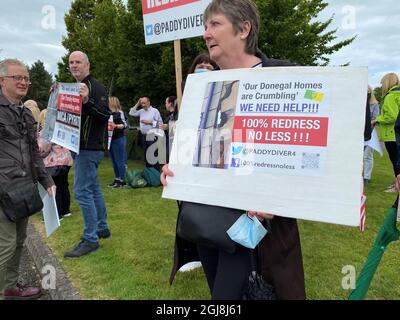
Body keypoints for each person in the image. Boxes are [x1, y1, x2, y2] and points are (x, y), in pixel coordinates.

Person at [162, 0, 305, 299]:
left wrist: (281, 199)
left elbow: (305, 154)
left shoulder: (283, 77)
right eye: (205, 26)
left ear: (243, 29)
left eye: (215, 24)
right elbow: (195, 150)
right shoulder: (205, 87)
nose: (206, 34)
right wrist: (176, 170)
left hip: (255, 229)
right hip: (209, 223)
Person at [0, 59, 55, 299]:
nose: (23, 82)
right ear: (2, 80)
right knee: (5, 245)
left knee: (20, 241)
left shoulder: (26, 114)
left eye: (26, 78)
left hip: (23, 189)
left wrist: (47, 181)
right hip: (2, 189)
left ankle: (10, 287)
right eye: (17, 78)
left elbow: (34, 153)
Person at [64, 51, 112, 258]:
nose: (74, 65)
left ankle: (90, 238)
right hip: (80, 146)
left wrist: (87, 101)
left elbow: (105, 115)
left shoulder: (95, 86)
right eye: (71, 62)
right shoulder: (74, 87)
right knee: (92, 189)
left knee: (82, 192)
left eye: (78, 62)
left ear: (87, 65)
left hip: (89, 148)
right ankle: (101, 228)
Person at [38, 109, 73, 220]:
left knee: (54, 187)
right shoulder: (63, 127)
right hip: (66, 161)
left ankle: (57, 213)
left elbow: (44, 150)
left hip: (53, 163)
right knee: (64, 186)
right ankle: (66, 210)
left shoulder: (46, 131)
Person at [372, 73, 400, 192]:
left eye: (382, 83)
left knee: (396, 162)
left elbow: (392, 116)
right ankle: (396, 183)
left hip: (391, 134)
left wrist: (377, 119)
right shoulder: (397, 95)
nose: (382, 85)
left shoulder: (390, 96)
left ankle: (396, 186)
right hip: (395, 135)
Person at [129, 97, 163, 169]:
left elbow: (160, 123)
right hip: (143, 136)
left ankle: (156, 174)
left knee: (153, 156)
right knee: (146, 156)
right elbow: (131, 113)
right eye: (142, 103)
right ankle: (149, 173)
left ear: (149, 102)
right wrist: (137, 104)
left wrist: (149, 122)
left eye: (144, 103)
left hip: (153, 136)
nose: (143, 105)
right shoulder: (141, 111)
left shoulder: (155, 111)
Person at [108, 96, 128, 188]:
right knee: (114, 160)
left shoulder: (119, 113)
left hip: (118, 138)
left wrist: (115, 126)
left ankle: (123, 180)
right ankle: (117, 178)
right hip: (110, 139)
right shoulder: (107, 113)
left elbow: (125, 125)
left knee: (120, 160)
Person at [363, 86, 380, 184]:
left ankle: (366, 177)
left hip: (371, 132)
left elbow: (376, 118)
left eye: (368, 92)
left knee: (367, 155)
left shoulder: (374, 104)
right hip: (360, 132)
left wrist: (367, 123)